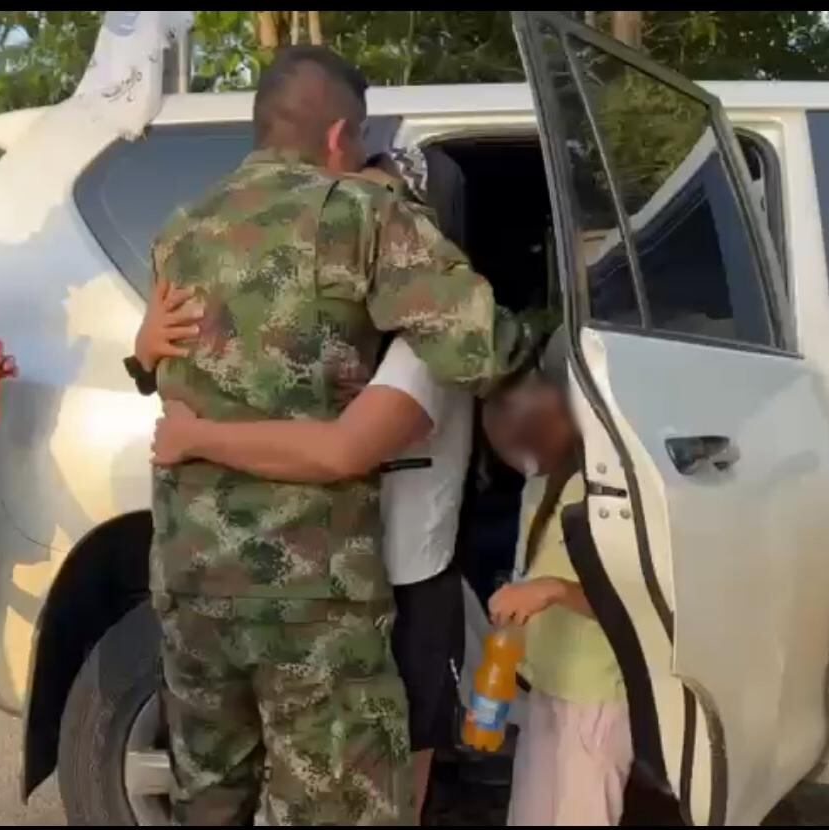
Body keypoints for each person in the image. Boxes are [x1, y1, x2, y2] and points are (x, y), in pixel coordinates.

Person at [141, 44, 534, 826]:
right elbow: (485, 346)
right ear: (338, 136)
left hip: (190, 579)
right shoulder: (361, 215)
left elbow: (170, 364)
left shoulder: (181, 228)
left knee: (207, 801)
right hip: (309, 599)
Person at [483, 329, 633, 826]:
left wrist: (548, 591)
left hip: (591, 699)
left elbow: (628, 601)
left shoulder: (608, 491)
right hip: (548, 686)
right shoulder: (542, 483)